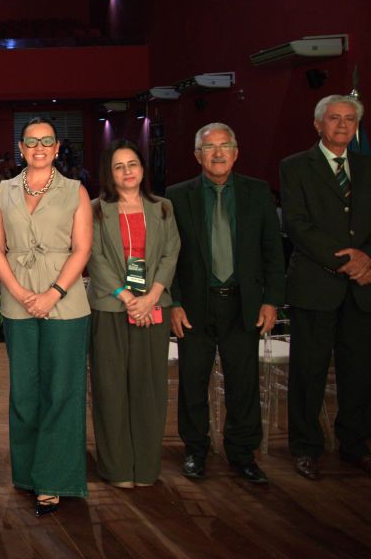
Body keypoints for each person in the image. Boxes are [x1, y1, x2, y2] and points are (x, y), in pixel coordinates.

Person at [166, 123, 283, 484]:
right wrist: (174, 302)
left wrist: (271, 301)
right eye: (209, 147)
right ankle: (195, 450)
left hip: (243, 304)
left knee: (243, 384)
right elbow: (169, 256)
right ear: (197, 155)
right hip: (194, 306)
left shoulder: (257, 192)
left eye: (224, 146)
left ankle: (242, 454)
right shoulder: (177, 196)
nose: (217, 153)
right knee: (193, 381)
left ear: (236, 152)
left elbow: (272, 250)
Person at [0, 117, 91, 516]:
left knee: (61, 391)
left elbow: (82, 249)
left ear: (58, 148)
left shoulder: (76, 191)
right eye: (32, 142)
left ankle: (54, 480)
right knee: (25, 392)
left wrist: (52, 294)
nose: (39, 148)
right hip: (18, 302)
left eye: (47, 141)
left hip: (65, 302)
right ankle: (28, 474)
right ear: (21, 148)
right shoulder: (3, 191)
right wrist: (19, 294)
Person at [279, 94, 371, 479]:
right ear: (318, 124)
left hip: (362, 288)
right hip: (316, 285)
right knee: (309, 371)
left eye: (350, 119)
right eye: (335, 118)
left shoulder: (366, 166)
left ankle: (354, 444)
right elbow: (297, 225)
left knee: (358, 371)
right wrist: (346, 261)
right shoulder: (295, 167)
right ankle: (305, 447)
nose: (343, 125)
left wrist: (367, 259)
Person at [87, 140, 181, 488]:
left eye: (132, 164)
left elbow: (171, 253)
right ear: (109, 174)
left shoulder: (163, 207)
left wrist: (152, 296)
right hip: (111, 307)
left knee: (149, 387)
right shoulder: (96, 210)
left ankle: (145, 467)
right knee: (110, 387)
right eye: (119, 166)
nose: (127, 171)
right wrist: (128, 297)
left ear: (142, 169)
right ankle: (117, 468)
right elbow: (94, 257)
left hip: (154, 307)